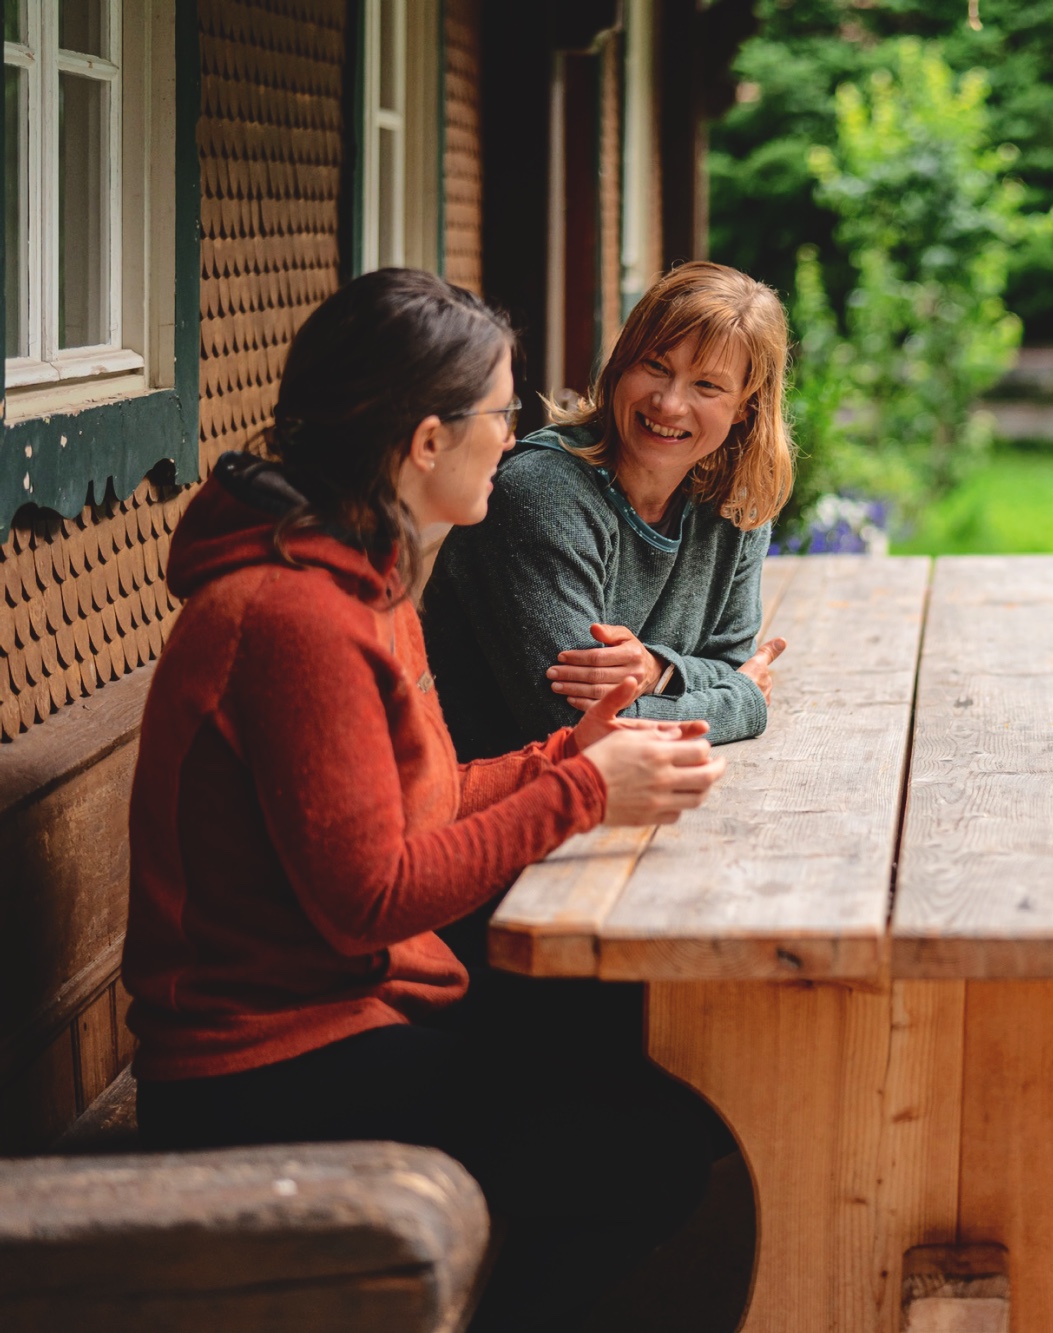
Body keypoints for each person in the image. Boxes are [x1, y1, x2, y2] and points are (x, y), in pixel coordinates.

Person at [125, 269, 733, 1333]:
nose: (516, 435)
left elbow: (417, 796)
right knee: (656, 1138)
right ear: (424, 443)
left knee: (650, 1067)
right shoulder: (298, 615)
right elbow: (369, 896)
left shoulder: (363, 574)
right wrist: (583, 793)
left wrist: (561, 754)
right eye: (501, 413)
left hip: (349, 1016)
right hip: (265, 1067)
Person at [422, 260, 793, 762]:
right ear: (622, 365)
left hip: (621, 799)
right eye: (656, 366)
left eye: (707, 386)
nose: (669, 403)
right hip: (493, 802)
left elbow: (731, 659)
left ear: (745, 406)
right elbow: (583, 729)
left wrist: (657, 669)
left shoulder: (737, 504)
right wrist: (743, 705)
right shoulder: (541, 495)